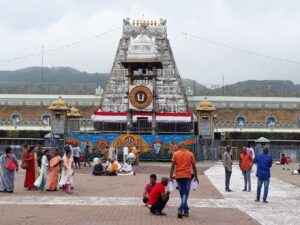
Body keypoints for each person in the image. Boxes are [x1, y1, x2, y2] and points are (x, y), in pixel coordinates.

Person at [170, 143, 199, 218]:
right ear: (186, 146)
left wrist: (170, 177)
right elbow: (194, 166)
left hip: (178, 177)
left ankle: (186, 211)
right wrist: (196, 177)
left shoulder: (175, 154)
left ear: (179, 147)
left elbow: (172, 166)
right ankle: (181, 210)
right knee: (185, 194)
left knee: (182, 194)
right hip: (187, 176)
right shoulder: (190, 154)